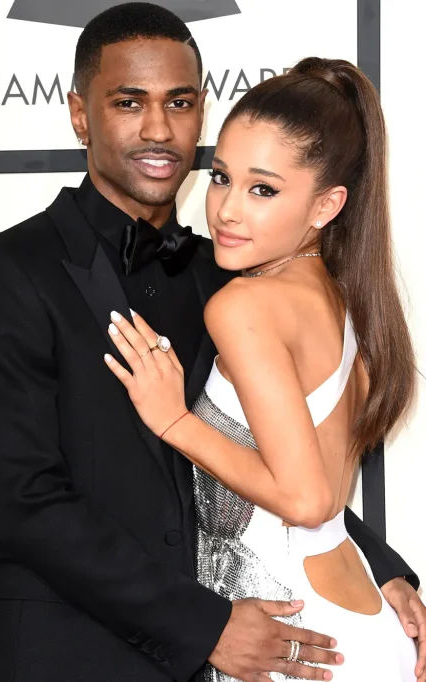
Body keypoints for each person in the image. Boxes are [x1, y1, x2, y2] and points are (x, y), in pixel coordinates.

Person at [0, 4, 426, 682]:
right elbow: (27, 501)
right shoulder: (5, 270)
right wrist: (204, 627)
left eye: (179, 103)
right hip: (62, 652)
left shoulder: (230, 275)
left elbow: (277, 460)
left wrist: (383, 572)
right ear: (80, 115)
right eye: (128, 102)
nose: (158, 128)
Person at [105, 56, 419, 681]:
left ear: (327, 205)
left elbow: (308, 499)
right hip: (357, 617)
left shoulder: (244, 305)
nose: (226, 210)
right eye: (221, 177)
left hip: (299, 633)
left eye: (263, 190)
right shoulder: (345, 299)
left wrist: (174, 421)